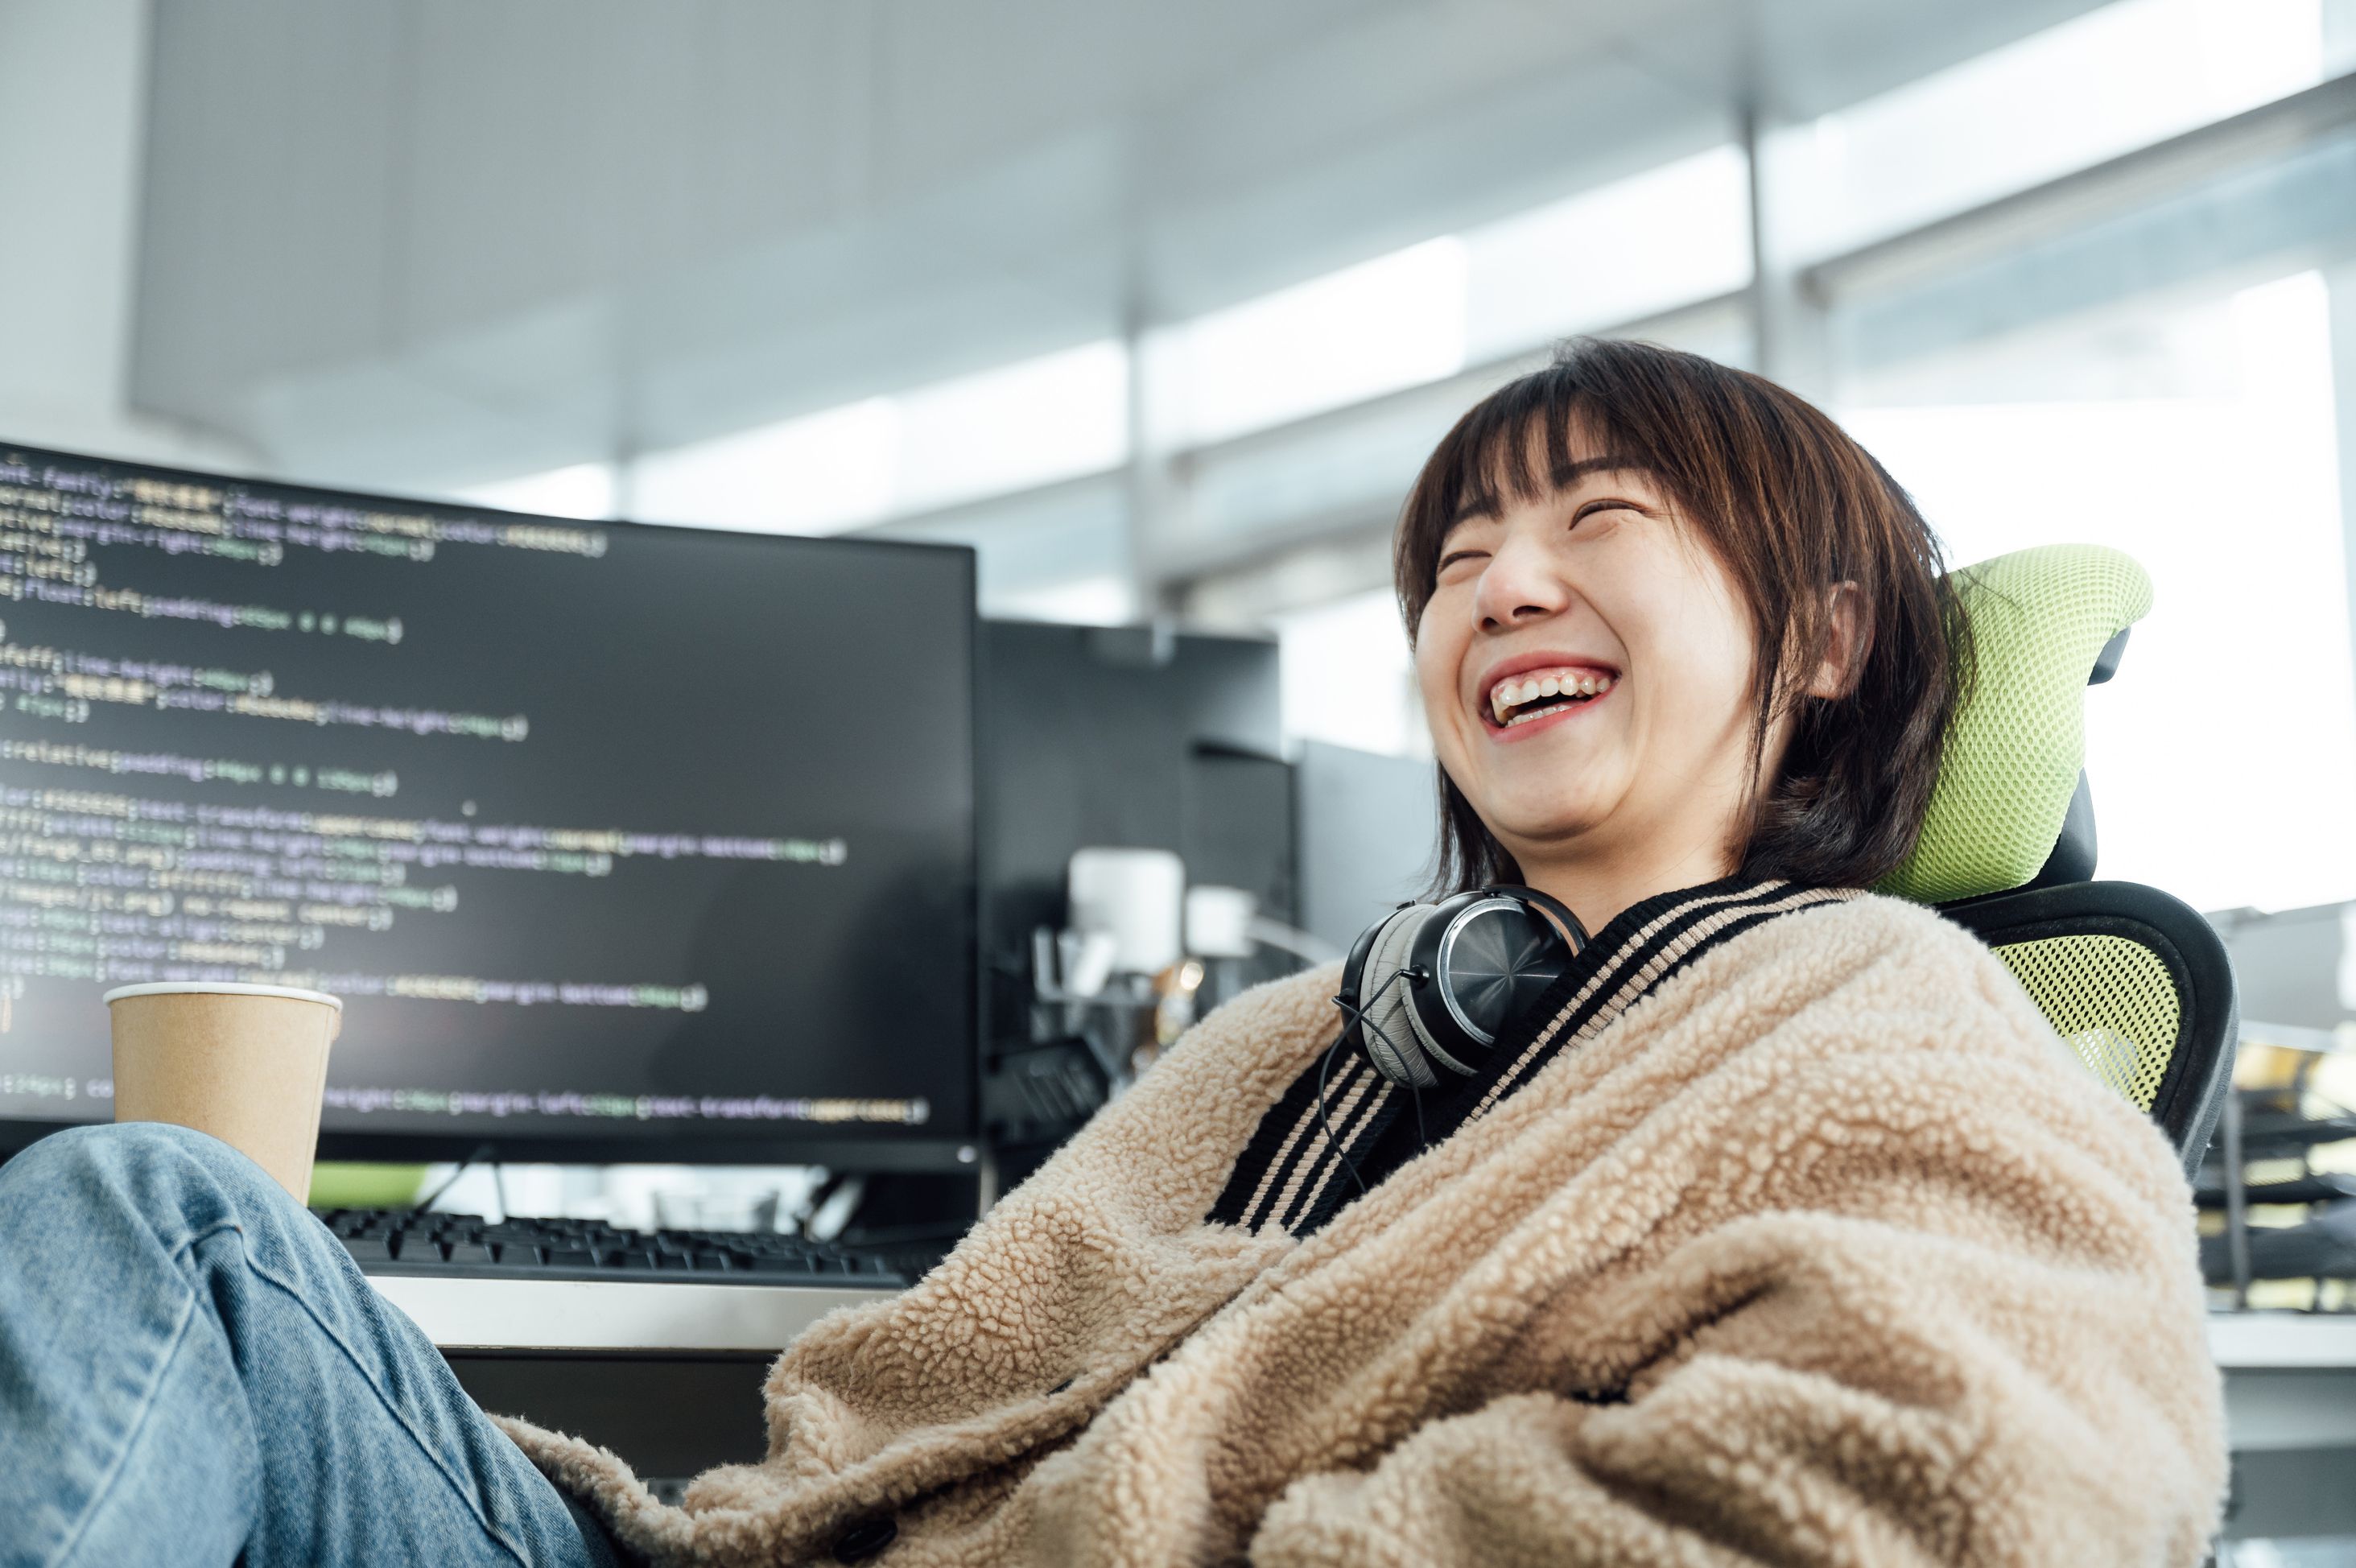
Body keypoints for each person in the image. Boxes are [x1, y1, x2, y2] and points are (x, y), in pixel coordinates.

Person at [0, 338, 2222, 1566]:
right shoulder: (1290, 1041)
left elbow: (1984, 1492)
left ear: (1826, 641)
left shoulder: (1880, 1016)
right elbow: (863, 1433)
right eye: (1460, 552)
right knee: (161, 1231)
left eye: (1597, 525)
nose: (1502, 585)